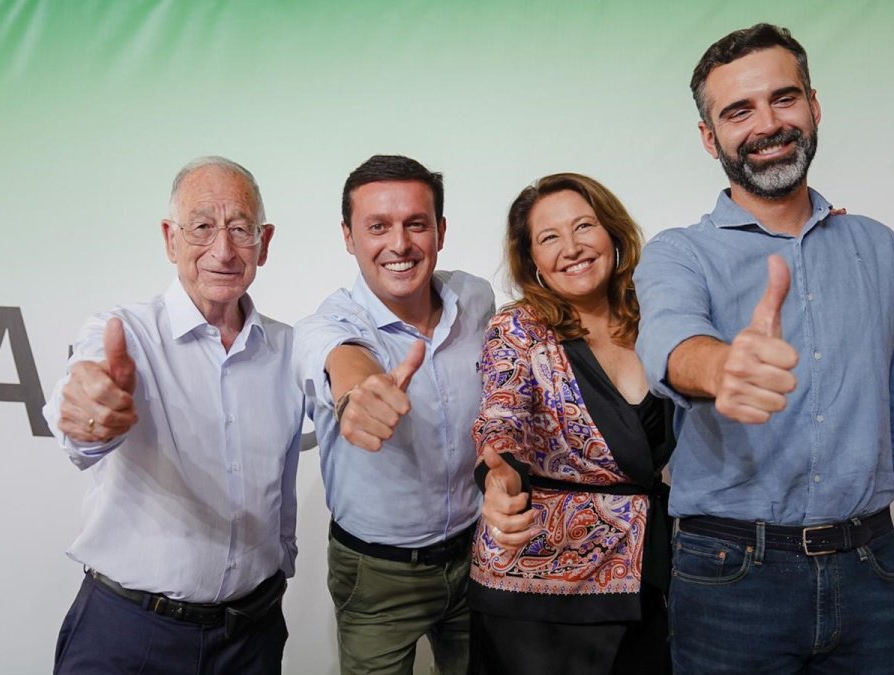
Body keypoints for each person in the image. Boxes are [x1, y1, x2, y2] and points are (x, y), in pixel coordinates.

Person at [634, 24, 894, 674]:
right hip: (731, 575)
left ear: (814, 104)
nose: (768, 123)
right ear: (710, 137)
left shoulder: (877, 246)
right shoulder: (680, 253)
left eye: (783, 99)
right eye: (738, 110)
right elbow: (669, 346)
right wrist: (722, 365)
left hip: (874, 567)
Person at [43, 156, 304, 674]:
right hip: (129, 634)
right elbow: (79, 410)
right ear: (170, 239)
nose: (223, 250)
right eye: (202, 227)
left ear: (265, 242)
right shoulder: (125, 332)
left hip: (250, 640)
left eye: (240, 229)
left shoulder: (291, 349)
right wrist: (87, 413)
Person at [294, 154, 494, 675]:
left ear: (441, 231)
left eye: (416, 224)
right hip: (378, 575)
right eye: (377, 226)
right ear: (348, 236)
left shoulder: (476, 298)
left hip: (479, 556)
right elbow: (342, 357)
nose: (399, 245)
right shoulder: (329, 322)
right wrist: (358, 392)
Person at [470, 173, 673, 674]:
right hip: (540, 597)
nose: (572, 247)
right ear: (532, 259)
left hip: (648, 574)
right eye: (549, 238)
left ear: (612, 233)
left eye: (584, 226)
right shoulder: (518, 327)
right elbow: (501, 417)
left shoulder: (655, 315)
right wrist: (499, 477)